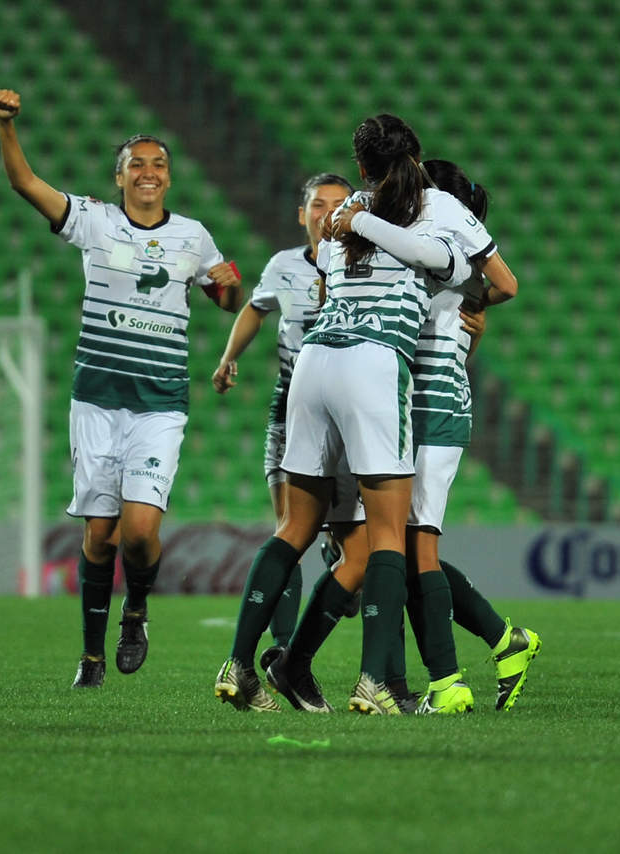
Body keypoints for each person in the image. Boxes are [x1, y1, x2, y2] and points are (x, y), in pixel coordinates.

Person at [214, 114, 474, 715]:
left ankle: (239, 664)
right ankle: (374, 681)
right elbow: (466, 272)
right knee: (387, 534)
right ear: (415, 166)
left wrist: (357, 219)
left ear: (361, 170)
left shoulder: (337, 231)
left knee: (293, 528)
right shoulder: (427, 221)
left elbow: (336, 275)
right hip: (372, 365)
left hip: (312, 365)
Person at [0, 88, 242, 689]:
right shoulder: (95, 220)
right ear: (120, 176)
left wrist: (227, 285)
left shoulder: (194, 236)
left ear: (169, 178)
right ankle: (91, 656)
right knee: (99, 535)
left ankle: (137, 610)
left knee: (139, 532)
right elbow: (25, 182)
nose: (149, 172)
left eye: (159, 164)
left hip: (159, 403)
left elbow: (227, 295)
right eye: (137, 164)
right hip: (97, 400)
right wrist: (6, 126)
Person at [267, 160, 539, 714]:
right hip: (391, 404)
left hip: (429, 410)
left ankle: (442, 677)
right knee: (387, 550)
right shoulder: (419, 254)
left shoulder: (443, 257)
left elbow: (466, 326)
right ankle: (435, 662)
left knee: (409, 547)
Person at [211, 173, 354, 670]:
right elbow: (255, 309)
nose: (327, 212)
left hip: (348, 412)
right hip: (292, 405)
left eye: (339, 204)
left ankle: (340, 558)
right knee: (290, 528)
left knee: (350, 539)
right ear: (302, 214)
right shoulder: (283, 265)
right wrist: (228, 357)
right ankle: (285, 647)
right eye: (318, 204)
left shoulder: (368, 265)